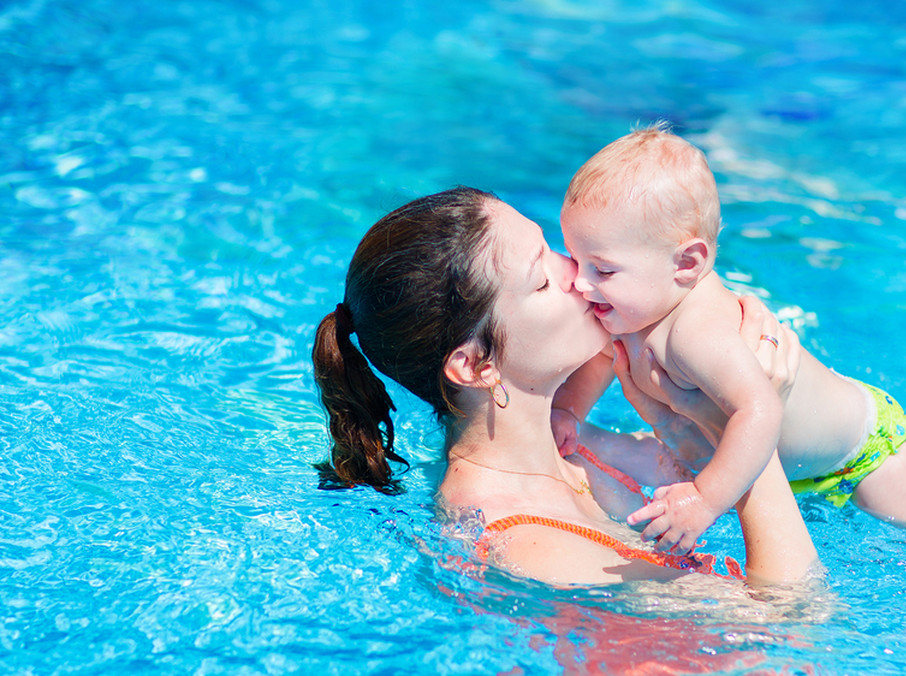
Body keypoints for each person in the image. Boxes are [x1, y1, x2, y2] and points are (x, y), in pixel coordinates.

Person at [311, 186, 820, 586]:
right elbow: (791, 625)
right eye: (541, 280)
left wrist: (700, 402)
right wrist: (750, 416)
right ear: (476, 365)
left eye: (551, 248)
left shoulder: (569, 447)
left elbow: (689, 473)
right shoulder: (530, 546)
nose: (576, 274)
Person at [552, 124, 906, 555]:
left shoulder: (694, 332)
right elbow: (599, 358)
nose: (580, 282)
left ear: (686, 264)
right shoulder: (632, 305)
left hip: (866, 455)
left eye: (603, 270)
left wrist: (705, 499)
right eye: (575, 259)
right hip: (786, 469)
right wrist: (567, 411)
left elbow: (759, 410)